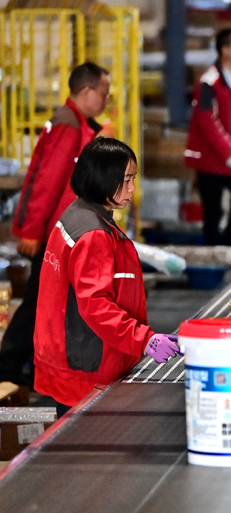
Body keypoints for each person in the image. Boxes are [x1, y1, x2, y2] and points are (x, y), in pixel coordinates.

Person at [33, 138, 180, 414]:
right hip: (87, 367)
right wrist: (143, 339)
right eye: (126, 179)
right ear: (103, 178)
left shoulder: (78, 215)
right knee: (91, 452)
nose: (133, 188)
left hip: (72, 360)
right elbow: (96, 306)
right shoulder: (92, 234)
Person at [0, 62, 110, 386]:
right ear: (86, 92)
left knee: (49, 306)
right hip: (53, 235)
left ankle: (32, 369)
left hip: (62, 233)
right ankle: (9, 367)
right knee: (39, 306)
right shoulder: (69, 125)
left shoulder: (75, 122)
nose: (106, 100)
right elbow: (47, 182)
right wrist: (32, 231)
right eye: (103, 94)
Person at [185, 28, 231, 246]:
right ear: (225, 50)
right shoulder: (210, 82)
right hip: (212, 158)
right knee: (213, 210)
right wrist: (228, 151)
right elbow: (207, 120)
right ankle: (214, 251)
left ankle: (230, 244)